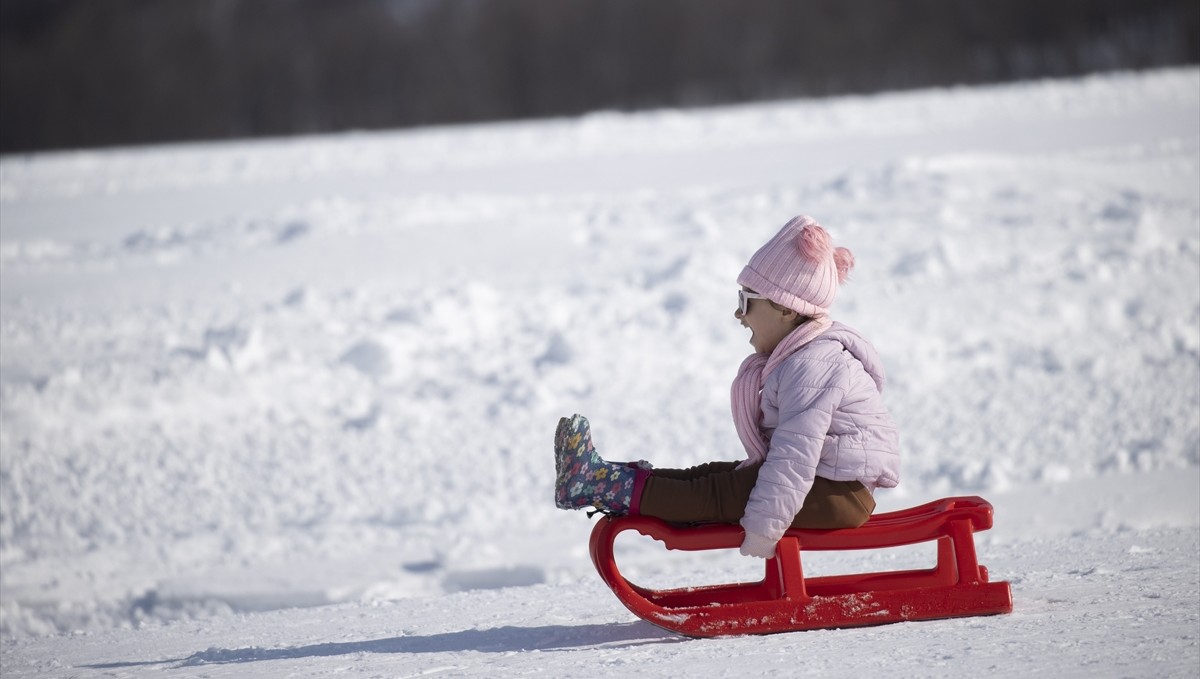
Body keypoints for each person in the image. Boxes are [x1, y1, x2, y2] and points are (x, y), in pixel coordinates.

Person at [553, 215, 900, 558]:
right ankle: (607, 477)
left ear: (785, 309)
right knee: (711, 475)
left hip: (838, 494)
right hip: (829, 485)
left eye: (746, 301)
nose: (738, 314)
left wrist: (764, 531)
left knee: (717, 492)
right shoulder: (805, 357)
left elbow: (794, 455)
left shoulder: (813, 364)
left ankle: (603, 485)